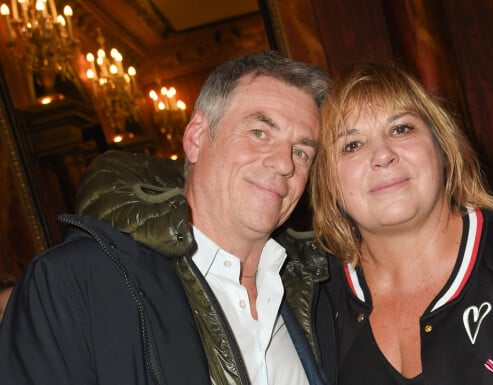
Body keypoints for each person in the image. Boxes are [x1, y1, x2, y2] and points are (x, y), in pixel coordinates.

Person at [0, 50, 337, 385]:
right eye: (260, 133)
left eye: (301, 151)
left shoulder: (316, 291)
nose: (284, 163)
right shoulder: (74, 283)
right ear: (196, 137)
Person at [310, 63, 493, 385]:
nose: (382, 155)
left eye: (401, 129)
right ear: (326, 181)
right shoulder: (315, 301)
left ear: (442, 145)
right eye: (352, 145)